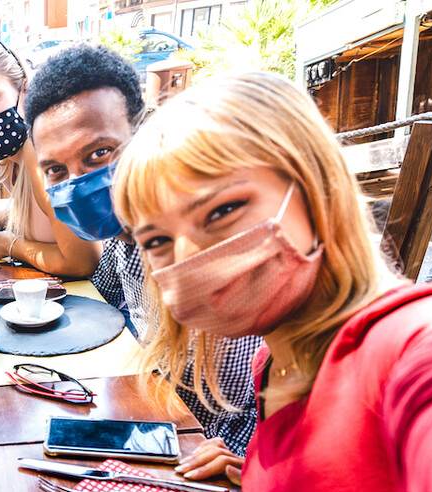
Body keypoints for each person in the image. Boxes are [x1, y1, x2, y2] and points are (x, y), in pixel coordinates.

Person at [112, 71, 432, 492]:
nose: (186, 255)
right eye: (156, 241)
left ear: (313, 189)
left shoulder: (405, 345)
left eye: (223, 210)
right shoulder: (274, 360)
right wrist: (261, 477)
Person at [24, 44, 260, 459]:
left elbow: (254, 407)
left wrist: (248, 462)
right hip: (161, 419)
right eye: (56, 170)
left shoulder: (201, 237)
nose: (78, 183)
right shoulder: (125, 231)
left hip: (219, 449)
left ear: (144, 130)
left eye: (98, 154)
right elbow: (110, 303)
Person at [0, 34, 99, 277]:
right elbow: (41, 211)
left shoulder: (42, 151)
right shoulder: (11, 161)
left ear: (25, 90)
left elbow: (83, 262)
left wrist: (10, 246)